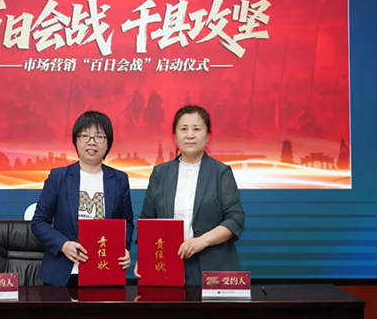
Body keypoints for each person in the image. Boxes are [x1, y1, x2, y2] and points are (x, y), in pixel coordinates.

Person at [135, 105, 245, 285]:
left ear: (207, 135)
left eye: (197, 129)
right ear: (175, 135)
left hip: (213, 266)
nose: (190, 135)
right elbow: (147, 220)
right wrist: (145, 257)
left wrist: (201, 241)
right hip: (168, 263)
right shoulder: (160, 173)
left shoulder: (220, 172)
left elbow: (235, 220)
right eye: (184, 129)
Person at [31, 111, 134, 286]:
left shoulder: (119, 180)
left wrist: (123, 248)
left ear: (108, 143)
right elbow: (38, 222)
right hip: (63, 274)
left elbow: (127, 223)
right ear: (76, 141)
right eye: (85, 136)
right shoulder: (59, 177)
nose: (91, 142)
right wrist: (63, 245)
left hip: (104, 269)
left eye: (99, 136)